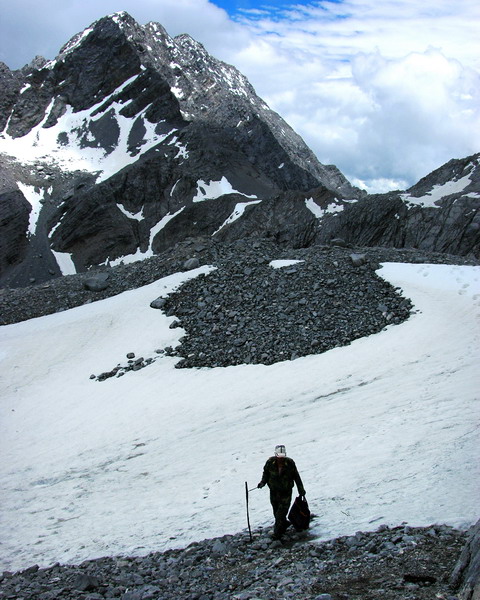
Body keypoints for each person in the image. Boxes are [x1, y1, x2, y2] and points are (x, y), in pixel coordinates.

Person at [257, 444, 306, 540]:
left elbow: (296, 476)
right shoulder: (270, 462)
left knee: (281, 513)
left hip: (286, 492)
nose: (281, 459)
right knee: (276, 511)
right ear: (276, 455)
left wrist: (301, 490)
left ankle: (277, 534)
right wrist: (262, 482)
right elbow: (266, 474)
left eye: (282, 457)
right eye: (279, 457)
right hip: (274, 492)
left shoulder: (290, 463)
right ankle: (284, 525)